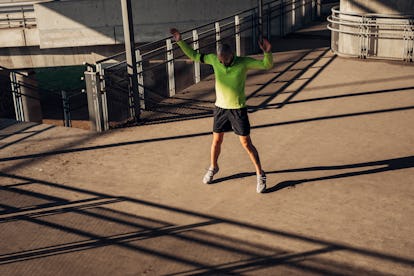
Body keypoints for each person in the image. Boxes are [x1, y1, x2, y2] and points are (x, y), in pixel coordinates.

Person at [170, 28, 273, 193]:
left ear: (231, 55)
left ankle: (260, 174)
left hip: (238, 110)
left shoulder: (243, 62)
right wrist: (180, 41)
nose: (223, 63)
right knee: (216, 141)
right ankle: (213, 167)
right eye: (220, 60)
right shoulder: (213, 59)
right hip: (220, 109)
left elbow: (267, 65)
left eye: (225, 60)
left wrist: (267, 52)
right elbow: (194, 56)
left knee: (246, 143)